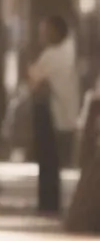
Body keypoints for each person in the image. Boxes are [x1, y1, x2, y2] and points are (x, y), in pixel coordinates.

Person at [28, 14, 80, 212]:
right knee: (50, 159)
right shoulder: (68, 50)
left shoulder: (55, 54)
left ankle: (47, 202)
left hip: (49, 111)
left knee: (47, 158)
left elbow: (35, 78)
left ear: (57, 31)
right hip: (56, 112)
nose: (43, 35)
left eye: (46, 30)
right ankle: (49, 201)